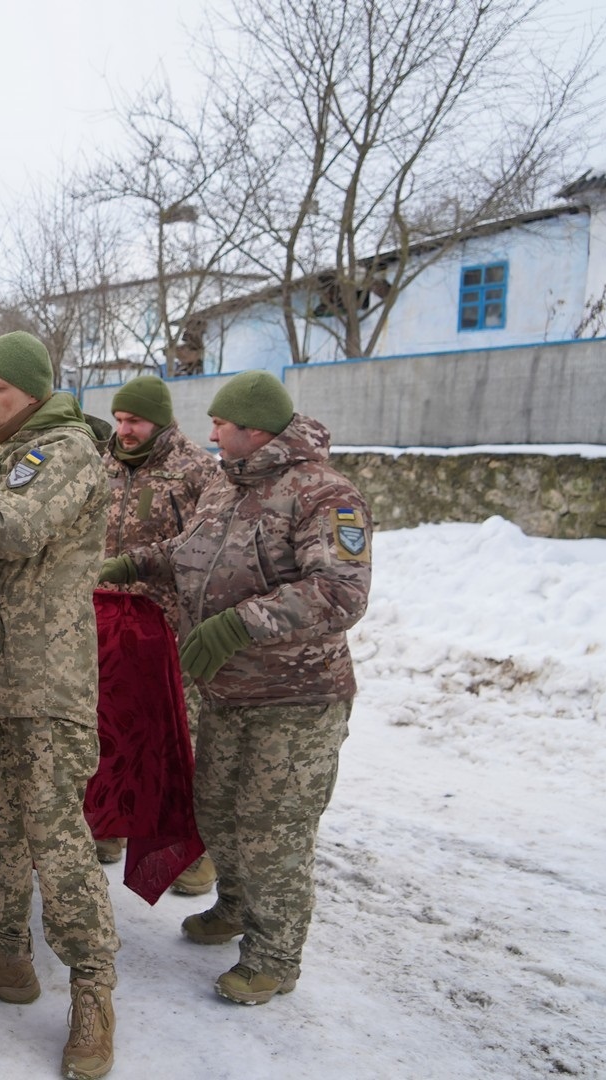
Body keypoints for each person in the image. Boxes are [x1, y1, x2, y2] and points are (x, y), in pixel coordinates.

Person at [99, 370, 371, 1005]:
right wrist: (137, 561)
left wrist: (239, 623)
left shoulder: (325, 495)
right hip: (225, 691)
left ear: (256, 430)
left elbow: (342, 592)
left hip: (296, 697)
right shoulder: (228, 484)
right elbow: (192, 549)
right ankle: (236, 908)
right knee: (219, 811)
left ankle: (274, 957)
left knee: (273, 827)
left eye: (220, 424)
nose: (210, 432)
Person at [0, 331, 119, 1080]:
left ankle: (94, 992)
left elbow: (9, 531)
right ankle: (9, 958)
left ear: (34, 391)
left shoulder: (62, 448)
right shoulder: (6, 456)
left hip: (43, 681)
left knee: (54, 833)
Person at [93, 375, 219, 896]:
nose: (124, 430)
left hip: (168, 624)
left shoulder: (195, 470)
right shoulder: (106, 463)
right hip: (109, 619)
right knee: (113, 725)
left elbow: (207, 548)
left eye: (134, 421)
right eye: (119, 420)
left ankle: (194, 850)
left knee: (175, 737)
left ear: (160, 421)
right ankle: (113, 825)